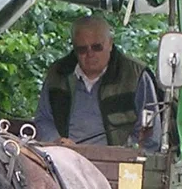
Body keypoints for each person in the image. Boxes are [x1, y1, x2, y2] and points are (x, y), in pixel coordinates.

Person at [33, 15, 160, 148]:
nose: (90, 54)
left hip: (117, 162)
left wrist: (123, 154)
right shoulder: (58, 75)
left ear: (110, 44)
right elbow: (43, 119)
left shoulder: (135, 76)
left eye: (97, 47)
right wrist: (56, 140)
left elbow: (150, 134)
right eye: (82, 49)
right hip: (65, 161)